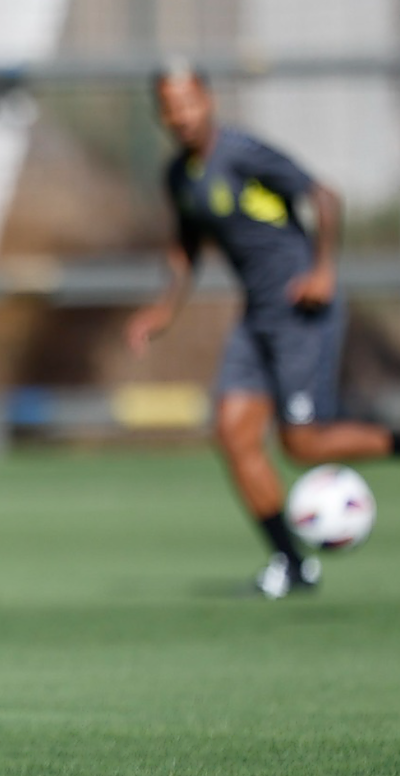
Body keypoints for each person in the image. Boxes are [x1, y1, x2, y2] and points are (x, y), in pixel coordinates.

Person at [126, 64, 400, 599]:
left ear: (207, 100)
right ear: (160, 113)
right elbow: (185, 244)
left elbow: (324, 195)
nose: (180, 114)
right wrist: (164, 309)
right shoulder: (180, 177)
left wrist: (322, 269)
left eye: (188, 101)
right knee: (231, 430)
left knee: (301, 443)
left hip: (300, 309)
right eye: (169, 105)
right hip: (255, 317)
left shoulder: (242, 153)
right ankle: (292, 565)